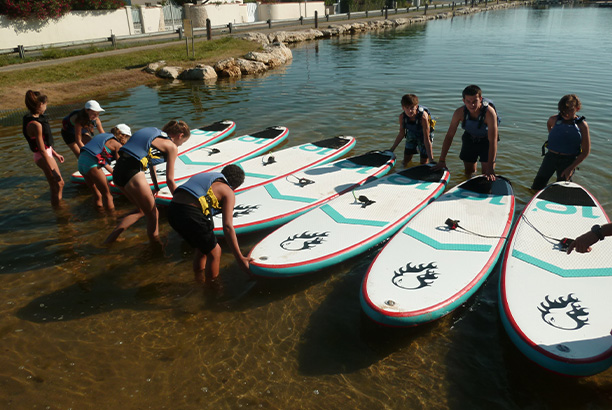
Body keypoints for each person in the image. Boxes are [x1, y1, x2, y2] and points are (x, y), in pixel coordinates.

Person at [104, 120, 190, 244]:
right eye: (183, 142)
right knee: (153, 214)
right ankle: (156, 247)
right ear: (180, 135)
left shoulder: (152, 132)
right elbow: (170, 180)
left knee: (141, 211)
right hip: (132, 171)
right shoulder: (171, 146)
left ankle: (109, 241)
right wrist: (181, 202)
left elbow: (150, 164)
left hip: (118, 172)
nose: (181, 145)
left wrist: (156, 187)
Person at [167, 165, 253, 284]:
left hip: (172, 209)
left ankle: (198, 280)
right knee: (215, 251)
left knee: (202, 248)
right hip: (190, 212)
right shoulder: (228, 192)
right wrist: (239, 258)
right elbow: (227, 226)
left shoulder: (208, 176)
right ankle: (212, 290)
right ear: (236, 187)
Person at [433, 85, 499, 181]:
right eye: (468, 101)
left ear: (480, 99)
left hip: (487, 140)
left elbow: (493, 141)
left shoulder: (489, 113)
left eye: (474, 101)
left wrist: (490, 168)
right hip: (470, 138)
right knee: (469, 172)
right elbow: (449, 136)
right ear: (463, 101)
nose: (472, 105)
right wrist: (442, 160)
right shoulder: (459, 113)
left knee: (487, 174)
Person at [531, 94, 590, 191]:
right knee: (537, 186)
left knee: (562, 189)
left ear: (577, 109)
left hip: (568, 161)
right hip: (550, 158)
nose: (565, 114)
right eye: (562, 111)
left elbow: (585, 152)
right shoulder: (553, 120)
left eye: (569, 110)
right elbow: (549, 127)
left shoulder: (582, 126)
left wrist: (571, 168)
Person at [23, 90, 65, 207]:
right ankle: (59, 210)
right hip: (42, 156)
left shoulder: (35, 118)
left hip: (46, 153)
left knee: (57, 184)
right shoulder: (35, 124)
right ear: (40, 104)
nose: (46, 107)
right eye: (45, 104)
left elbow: (44, 143)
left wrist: (55, 153)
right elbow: (41, 149)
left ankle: (59, 206)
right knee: (58, 184)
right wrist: (52, 170)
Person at [77, 124, 132, 211]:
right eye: (127, 137)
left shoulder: (102, 137)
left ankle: (100, 215)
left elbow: (101, 159)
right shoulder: (117, 145)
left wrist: (113, 173)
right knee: (108, 195)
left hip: (81, 162)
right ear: (123, 136)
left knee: (97, 194)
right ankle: (111, 218)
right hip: (92, 164)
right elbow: (120, 165)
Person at [388, 94, 434, 166]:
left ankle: (424, 170)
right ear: (403, 108)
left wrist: (431, 160)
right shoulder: (402, 117)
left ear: (416, 106)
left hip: (424, 135)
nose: (410, 111)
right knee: (406, 158)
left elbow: (427, 139)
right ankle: (402, 170)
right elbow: (401, 133)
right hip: (411, 133)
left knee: (424, 161)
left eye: (412, 108)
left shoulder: (423, 117)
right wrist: (392, 149)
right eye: (407, 108)